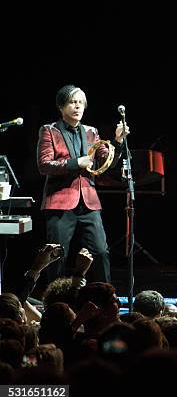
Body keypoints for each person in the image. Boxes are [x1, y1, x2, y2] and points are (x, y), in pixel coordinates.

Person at [37, 85, 128, 283]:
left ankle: (105, 299)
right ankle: (56, 304)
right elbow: (44, 165)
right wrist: (75, 163)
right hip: (60, 202)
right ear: (61, 106)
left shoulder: (91, 132)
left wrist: (118, 141)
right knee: (55, 256)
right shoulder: (49, 131)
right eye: (72, 102)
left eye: (80, 103)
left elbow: (107, 163)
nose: (77, 107)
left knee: (101, 252)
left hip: (88, 202)